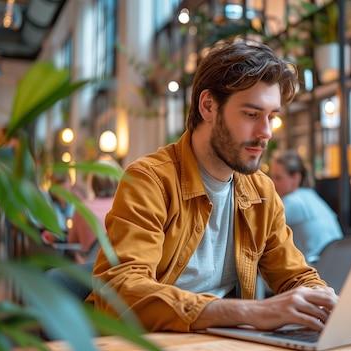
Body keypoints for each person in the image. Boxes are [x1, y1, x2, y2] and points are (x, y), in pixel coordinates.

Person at [88, 39, 337, 333]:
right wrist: (253, 311)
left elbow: (295, 275)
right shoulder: (149, 180)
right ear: (208, 106)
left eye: (271, 117)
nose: (266, 132)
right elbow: (121, 291)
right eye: (251, 114)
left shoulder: (262, 192)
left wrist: (327, 302)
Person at [269, 150, 343, 263]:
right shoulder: (311, 196)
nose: (272, 183)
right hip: (337, 266)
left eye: (278, 178)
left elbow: (260, 230)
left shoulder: (293, 202)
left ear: (295, 178)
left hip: (317, 271)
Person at [65, 156, 122, 264]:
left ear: (93, 183)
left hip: (91, 271)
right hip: (121, 271)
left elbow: (71, 241)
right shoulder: (125, 207)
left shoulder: (82, 208)